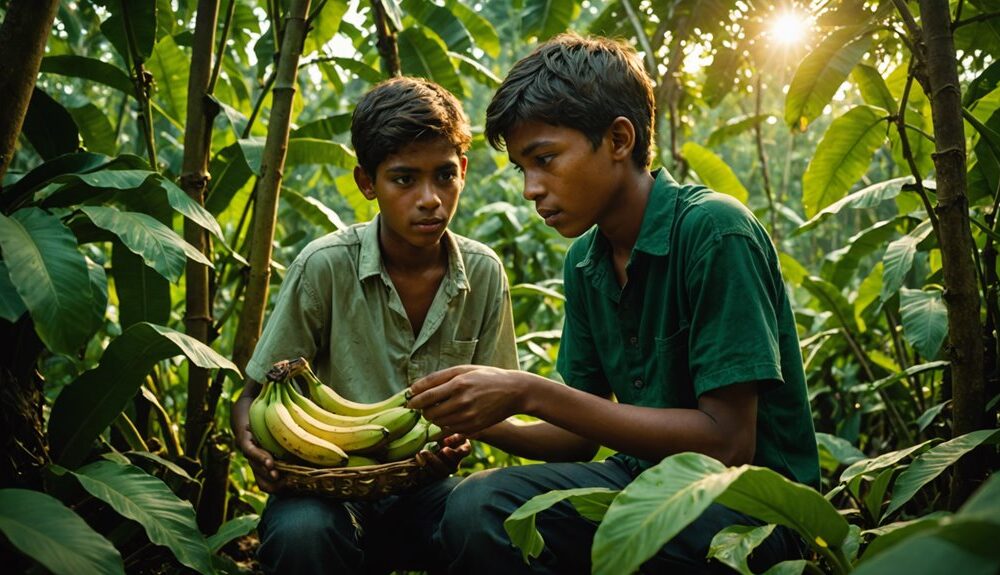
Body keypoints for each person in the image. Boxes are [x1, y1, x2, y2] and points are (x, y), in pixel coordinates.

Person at [407, 33, 820, 574]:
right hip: (641, 484)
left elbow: (727, 442)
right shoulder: (586, 261)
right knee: (477, 507)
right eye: (522, 169)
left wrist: (529, 392)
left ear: (619, 139)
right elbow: (579, 438)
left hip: (746, 507)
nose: (531, 188)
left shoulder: (716, 232)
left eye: (545, 159)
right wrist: (478, 420)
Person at [230, 76, 519, 575]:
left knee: (489, 520)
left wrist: (458, 440)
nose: (430, 198)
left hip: (427, 489)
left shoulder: (485, 272)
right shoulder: (324, 266)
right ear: (368, 183)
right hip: (324, 488)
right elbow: (253, 398)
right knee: (302, 534)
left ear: (464, 172)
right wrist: (254, 447)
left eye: (444, 176)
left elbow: (497, 409)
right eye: (404, 179)